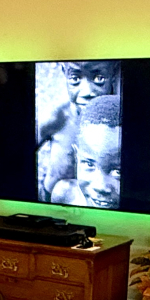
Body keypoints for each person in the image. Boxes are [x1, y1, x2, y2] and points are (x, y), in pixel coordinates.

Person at [35, 60, 121, 203]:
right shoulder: (58, 117)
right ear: (64, 72)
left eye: (99, 78)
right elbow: (18, 156)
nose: (87, 92)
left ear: (114, 73)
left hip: (99, 202)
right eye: (75, 79)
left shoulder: (117, 122)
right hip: (53, 201)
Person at [49, 95, 121, 209]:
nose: (100, 186)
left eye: (118, 171)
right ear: (76, 156)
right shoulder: (65, 196)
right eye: (89, 164)